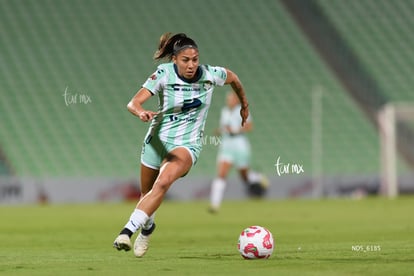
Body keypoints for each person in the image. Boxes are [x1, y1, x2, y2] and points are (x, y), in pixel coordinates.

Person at [113, 32, 249, 257]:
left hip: (187, 144)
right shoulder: (163, 74)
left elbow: (234, 78)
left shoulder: (210, 74)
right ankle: (147, 228)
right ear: (174, 59)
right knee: (147, 193)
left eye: (195, 59)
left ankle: (126, 232)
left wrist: (244, 104)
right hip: (156, 141)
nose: (191, 65)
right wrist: (140, 112)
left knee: (163, 183)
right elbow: (133, 102)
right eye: (186, 60)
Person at [209, 92, 268, 213]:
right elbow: (225, 127)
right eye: (228, 99)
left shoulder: (242, 111)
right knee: (221, 173)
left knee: (244, 176)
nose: (229, 101)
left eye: (232, 99)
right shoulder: (224, 111)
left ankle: (257, 177)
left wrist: (235, 130)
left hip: (240, 145)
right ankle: (214, 205)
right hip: (226, 146)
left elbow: (249, 126)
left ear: (236, 101)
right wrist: (220, 130)